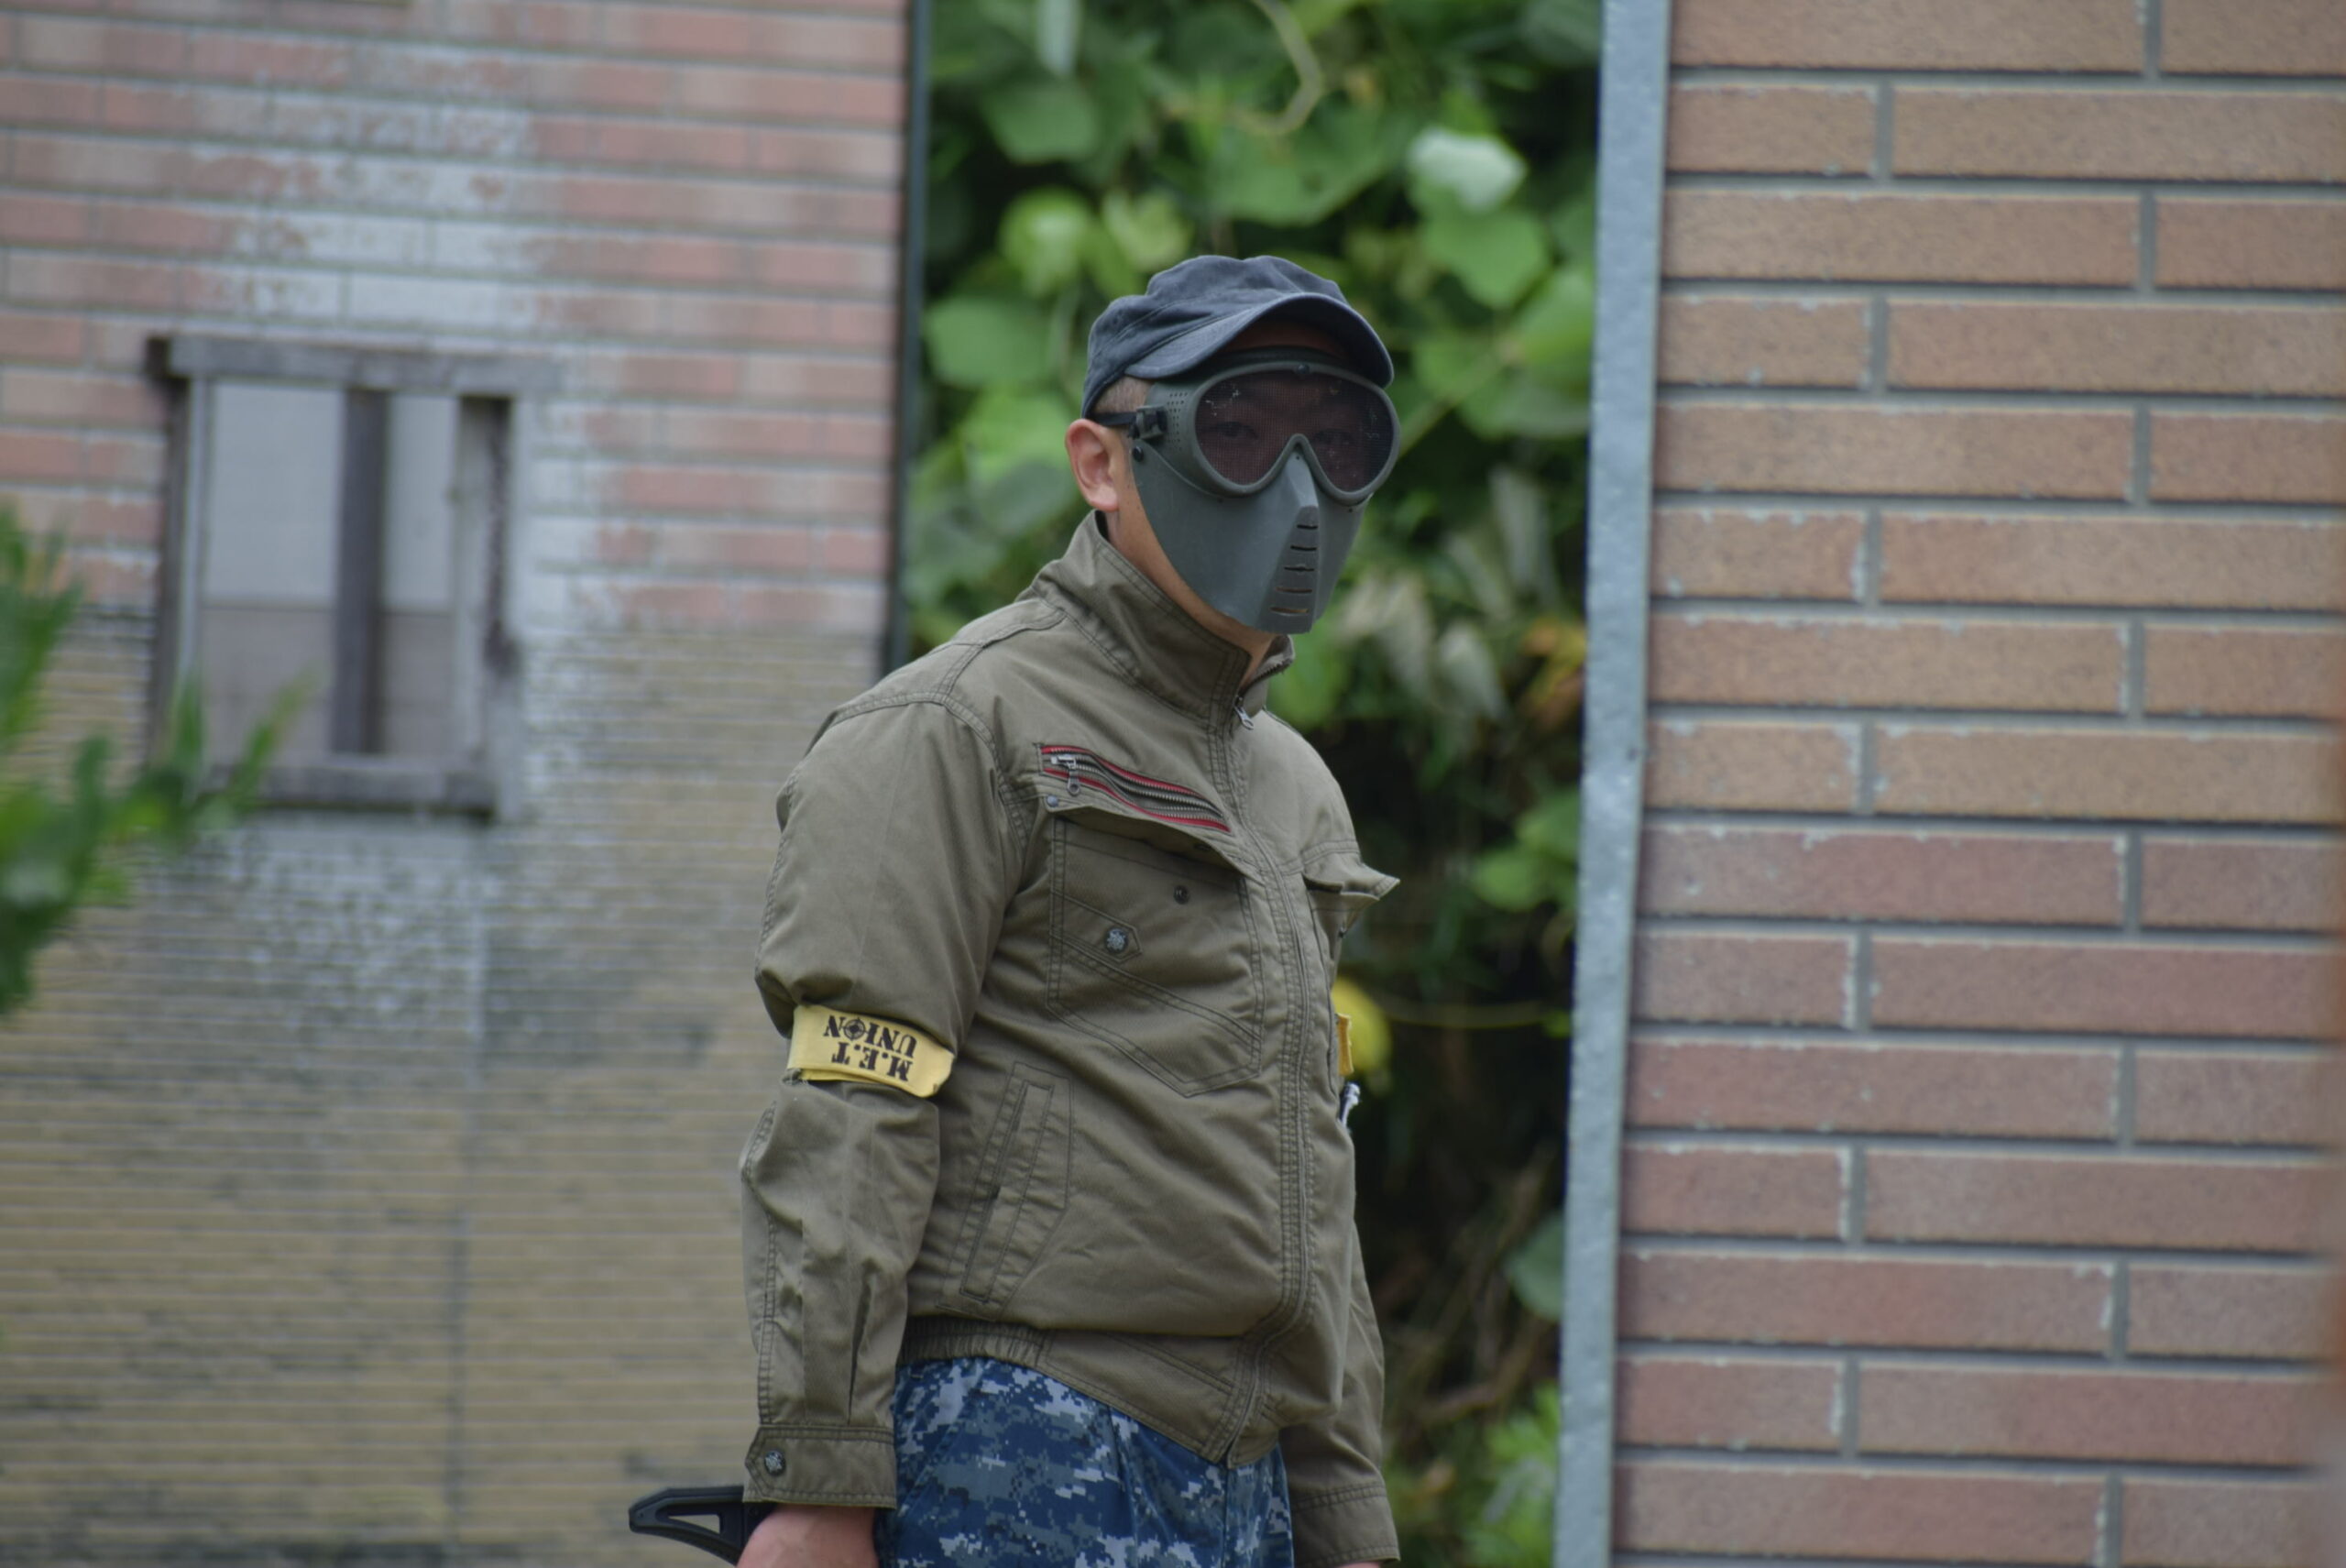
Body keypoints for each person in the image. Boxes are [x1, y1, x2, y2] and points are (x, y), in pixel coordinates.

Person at [737, 255, 1403, 1568]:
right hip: (1020, 1443)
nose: (1295, 486)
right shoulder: (952, 728)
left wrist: (1344, 1516)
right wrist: (819, 1480)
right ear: (1103, 463)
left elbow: (1313, 1190)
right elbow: (854, 1109)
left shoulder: (1291, 787)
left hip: (1246, 1476)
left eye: (1334, 440)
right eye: (1238, 432)